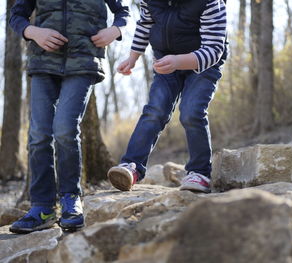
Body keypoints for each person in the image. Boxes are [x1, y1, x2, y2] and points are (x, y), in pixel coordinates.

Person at [8, 0, 129, 233]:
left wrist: (115, 30)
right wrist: (34, 32)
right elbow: (17, 15)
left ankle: (71, 199)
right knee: (39, 135)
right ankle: (42, 208)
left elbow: (124, 12)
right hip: (43, 62)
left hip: (84, 62)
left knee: (65, 128)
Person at [107, 0, 227, 193]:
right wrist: (133, 57)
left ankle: (199, 172)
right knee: (155, 110)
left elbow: (214, 49)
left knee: (192, 112)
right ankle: (131, 166)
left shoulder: (210, 3)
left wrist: (180, 61)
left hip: (203, 62)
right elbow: (145, 25)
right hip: (165, 59)